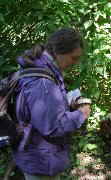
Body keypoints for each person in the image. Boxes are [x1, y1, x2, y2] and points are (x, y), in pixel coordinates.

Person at [12, 28, 91, 180]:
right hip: (40, 161)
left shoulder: (40, 67)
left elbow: (44, 110)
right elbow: (53, 127)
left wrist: (68, 104)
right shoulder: (43, 82)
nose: (75, 63)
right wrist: (81, 113)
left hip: (37, 154)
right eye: (73, 58)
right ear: (59, 52)